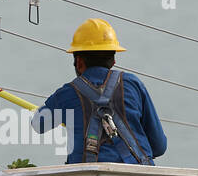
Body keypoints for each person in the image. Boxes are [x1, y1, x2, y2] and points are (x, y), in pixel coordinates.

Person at [32, 18, 167, 165]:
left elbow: (38, 125)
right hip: (138, 175)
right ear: (113, 61)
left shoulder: (66, 94)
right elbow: (159, 146)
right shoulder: (132, 84)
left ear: (79, 62)